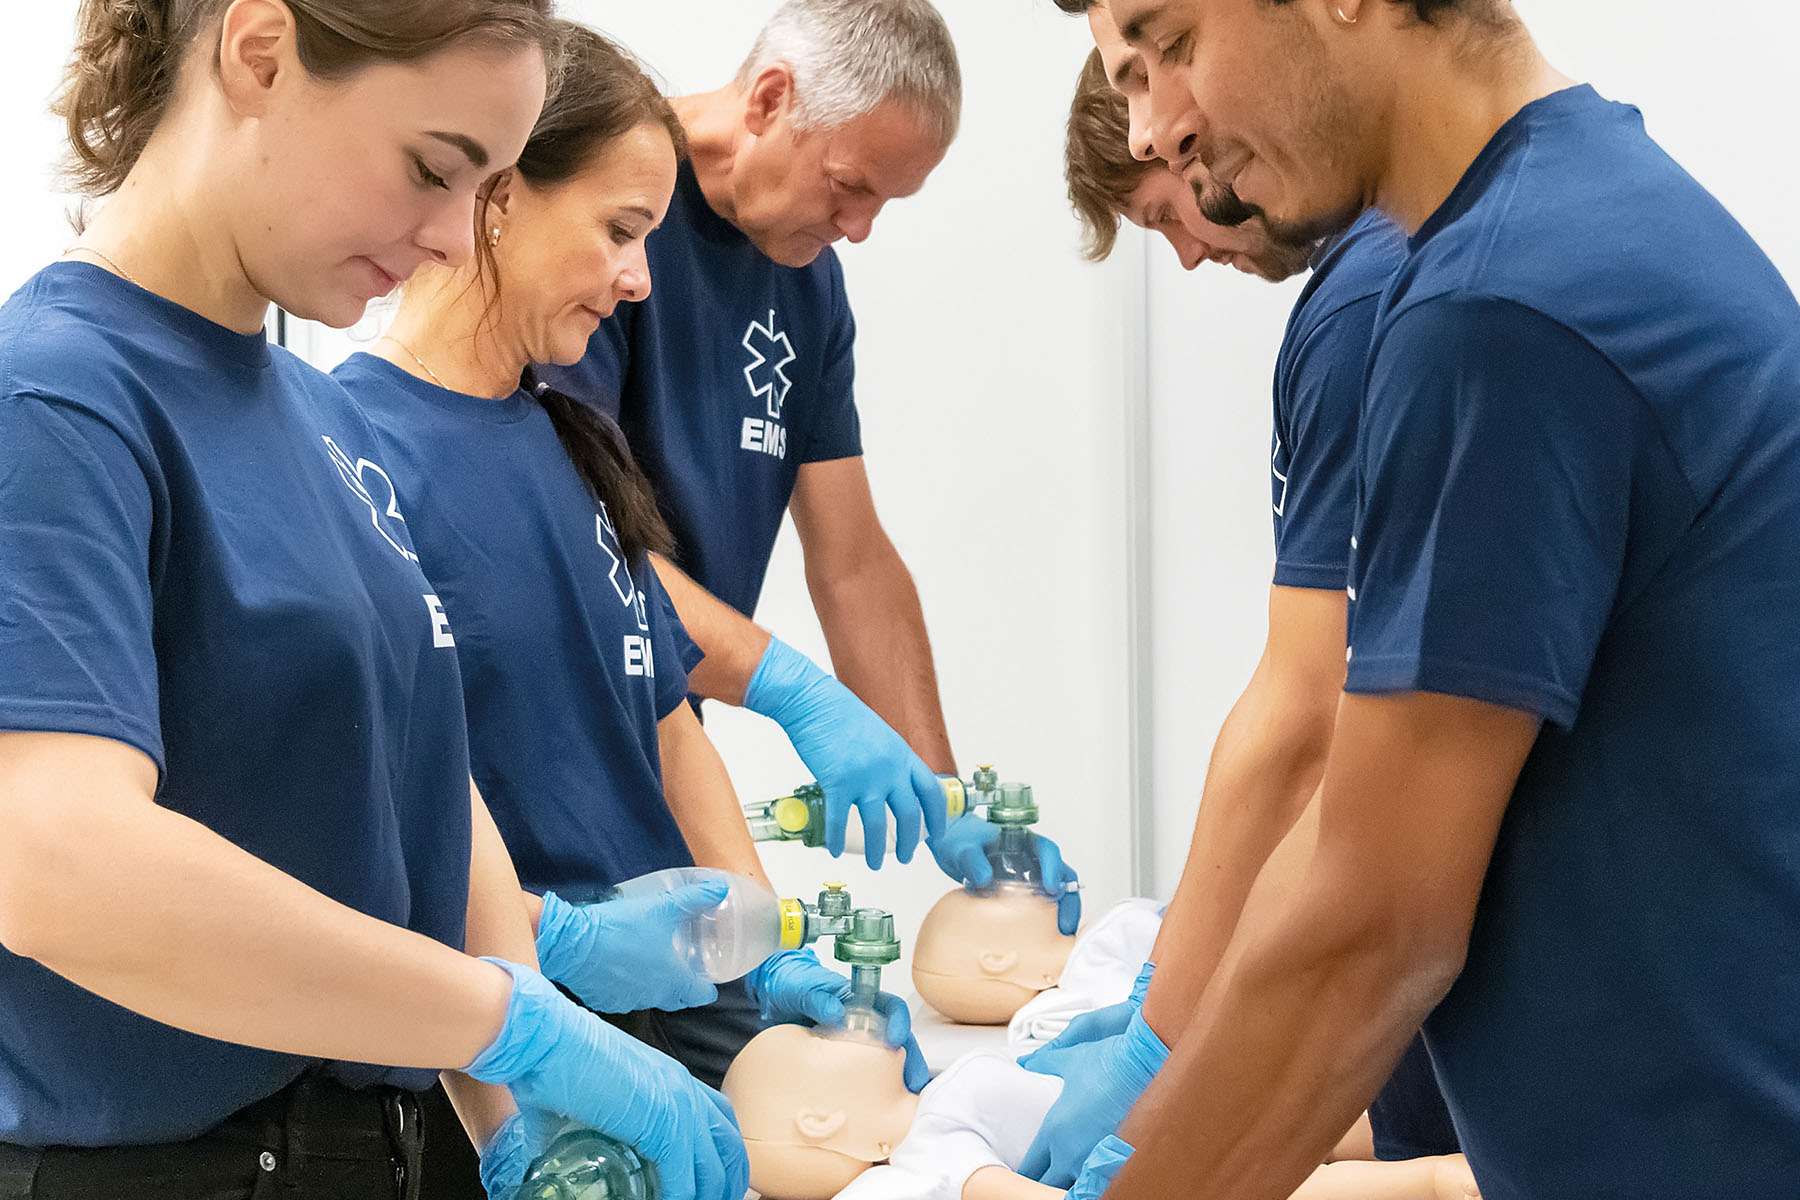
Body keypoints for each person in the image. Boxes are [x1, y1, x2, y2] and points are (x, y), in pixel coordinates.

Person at [0, 4, 744, 1200]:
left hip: (370, 1145)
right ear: (259, 53)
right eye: (434, 169)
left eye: (485, 189)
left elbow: (421, 786)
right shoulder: (58, 398)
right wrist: (502, 1021)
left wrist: (520, 1113)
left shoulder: (323, 419)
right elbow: (57, 865)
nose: (453, 237)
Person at [1074, 1, 1800, 1198]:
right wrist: (1162, 1087)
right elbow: (1359, 813)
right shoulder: (1563, 219)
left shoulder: (1501, 309)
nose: (1155, 131)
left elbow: (1373, 932)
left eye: (1178, 45)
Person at [331, 21, 927, 1197]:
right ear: (499, 197)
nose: (641, 278)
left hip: (656, 1033)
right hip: (504, 1054)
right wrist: (521, 1083)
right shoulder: (353, 449)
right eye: (619, 230)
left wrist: (763, 947)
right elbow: (385, 818)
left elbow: (669, 730)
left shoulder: (573, 447)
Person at [1015, 3, 1456, 1187]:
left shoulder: (1362, 309)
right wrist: (1182, 1005)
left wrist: (1166, 1040)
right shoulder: (1381, 285)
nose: (1189, 252)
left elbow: (1302, 721)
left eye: (1169, 211)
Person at [533, 1, 1079, 926]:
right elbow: (577, 550)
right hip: (547, 740)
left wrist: (944, 796)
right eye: (849, 186)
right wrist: (791, 689)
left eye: (883, 203)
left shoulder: (810, 286)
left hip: (663, 739)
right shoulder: (612, 226)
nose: (859, 228)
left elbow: (854, 561)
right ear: (770, 99)